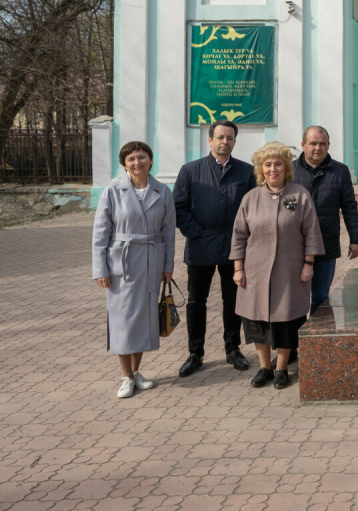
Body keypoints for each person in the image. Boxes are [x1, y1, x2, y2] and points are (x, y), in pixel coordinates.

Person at [230, 141, 324, 390]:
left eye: (278, 164)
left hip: (290, 269)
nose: (273, 169)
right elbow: (239, 235)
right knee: (257, 320)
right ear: (261, 169)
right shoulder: (251, 198)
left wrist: (308, 263)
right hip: (255, 271)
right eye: (268, 164)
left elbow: (311, 232)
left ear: (286, 167)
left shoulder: (299, 194)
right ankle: (265, 367)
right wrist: (238, 268)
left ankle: (282, 368)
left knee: (287, 319)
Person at [92, 141, 176, 398]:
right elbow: (100, 233)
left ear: (151, 160)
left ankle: (136, 372)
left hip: (151, 260)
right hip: (122, 264)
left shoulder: (162, 191)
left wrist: (167, 266)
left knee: (143, 319)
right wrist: (100, 269)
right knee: (123, 320)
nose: (137, 162)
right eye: (131, 159)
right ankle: (125, 376)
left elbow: (168, 232)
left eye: (142, 157)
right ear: (124, 164)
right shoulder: (112, 191)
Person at [173, 120, 257, 377]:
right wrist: (197, 233)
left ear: (234, 142)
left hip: (235, 249)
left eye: (229, 138)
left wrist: (244, 239)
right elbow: (179, 207)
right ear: (209, 140)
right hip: (200, 248)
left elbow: (254, 209)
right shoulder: (190, 171)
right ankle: (195, 353)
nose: (225, 142)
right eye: (220, 137)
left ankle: (233, 349)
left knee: (233, 300)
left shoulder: (246, 172)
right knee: (197, 302)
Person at [291, 125, 358, 312]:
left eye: (322, 144)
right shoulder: (289, 171)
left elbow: (349, 207)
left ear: (328, 145)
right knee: (294, 298)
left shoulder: (340, 171)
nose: (318, 148)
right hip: (294, 246)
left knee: (321, 298)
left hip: (326, 246)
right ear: (303, 144)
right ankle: (293, 340)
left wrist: (355, 239)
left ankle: (319, 339)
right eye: (313, 143)